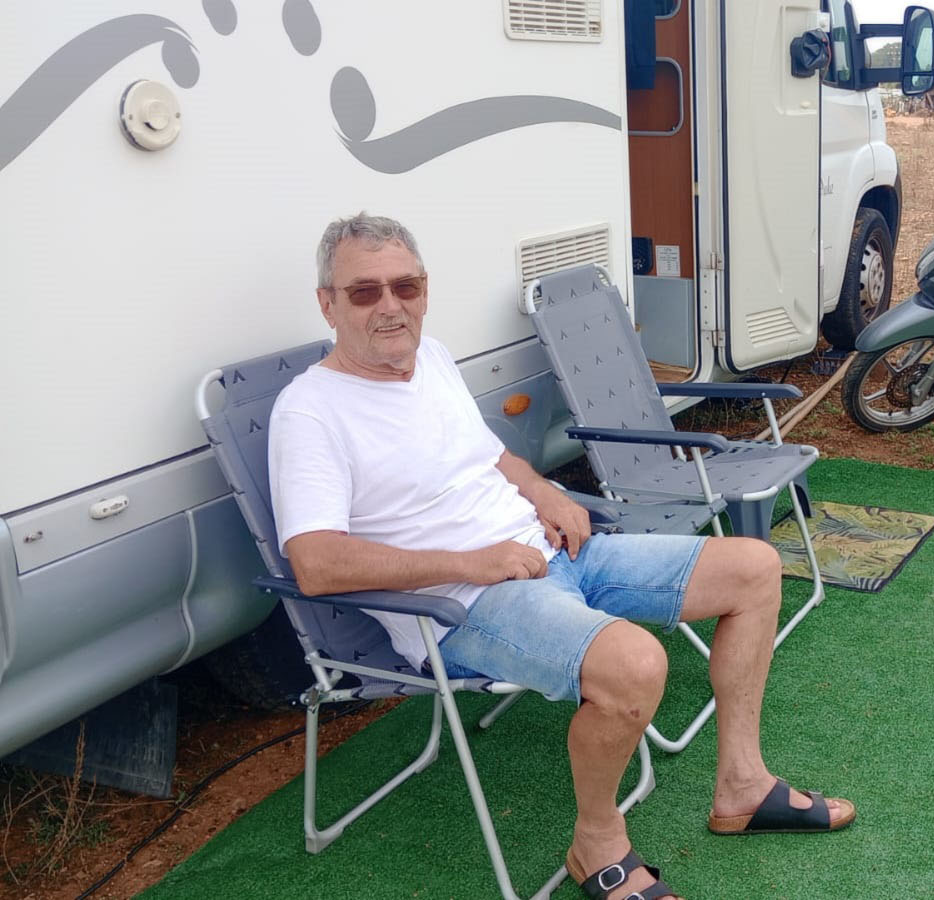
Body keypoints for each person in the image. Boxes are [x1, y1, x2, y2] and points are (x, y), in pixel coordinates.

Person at [268, 213, 853, 900]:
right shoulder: (309, 412)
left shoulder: (431, 359)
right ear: (328, 304)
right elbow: (316, 564)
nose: (390, 306)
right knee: (636, 666)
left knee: (753, 568)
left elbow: (489, 457)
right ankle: (597, 843)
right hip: (464, 606)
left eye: (406, 285)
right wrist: (471, 563)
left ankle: (743, 785)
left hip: (553, 552)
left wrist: (544, 492)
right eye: (365, 291)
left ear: (424, 288)